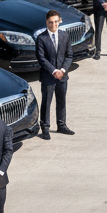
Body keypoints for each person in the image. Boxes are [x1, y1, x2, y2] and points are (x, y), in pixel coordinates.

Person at [34, 9, 74, 139]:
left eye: (56, 22)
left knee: (61, 101)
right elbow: (41, 58)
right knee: (47, 102)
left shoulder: (64, 35)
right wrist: (54, 71)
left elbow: (69, 55)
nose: (54, 25)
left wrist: (62, 70)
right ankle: (45, 128)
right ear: (47, 22)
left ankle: (61, 125)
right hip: (48, 77)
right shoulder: (41, 39)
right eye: (51, 22)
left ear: (60, 21)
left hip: (62, 76)